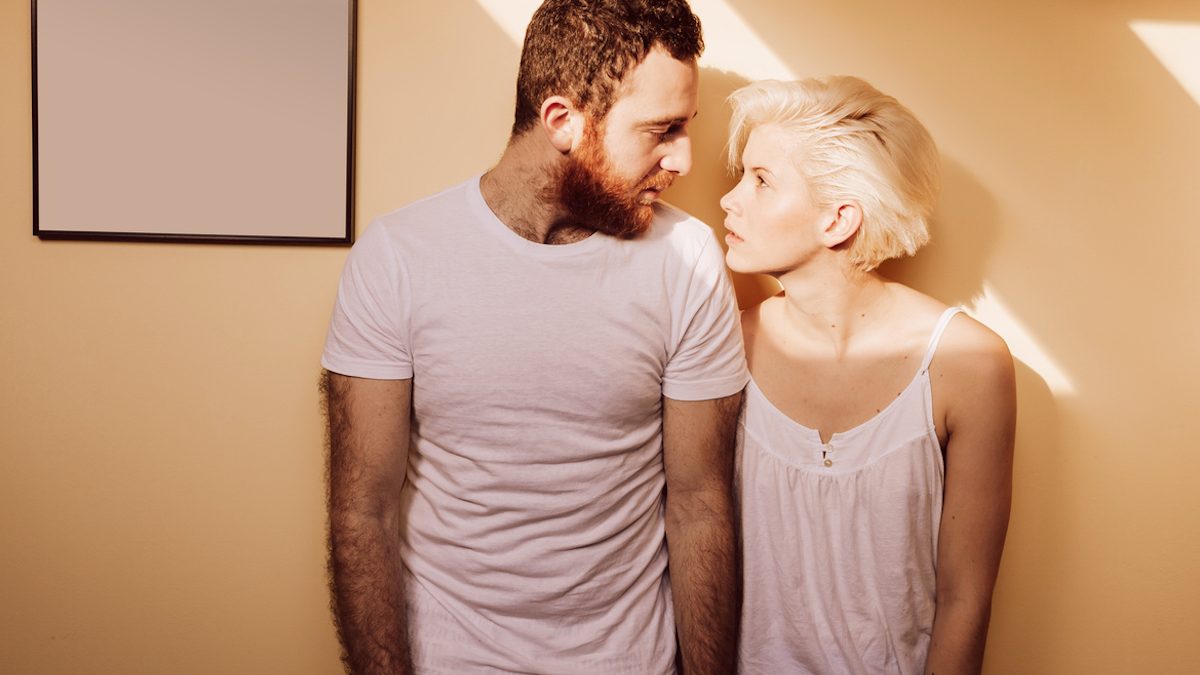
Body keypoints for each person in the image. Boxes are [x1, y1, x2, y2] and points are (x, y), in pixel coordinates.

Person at [319, 1, 747, 673]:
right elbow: (360, 513)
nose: (684, 160)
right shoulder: (399, 256)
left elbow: (701, 506)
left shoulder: (687, 259)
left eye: (685, 128)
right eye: (662, 130)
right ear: (562, 122)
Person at [720, 76, 1016, 674]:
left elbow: (966, 599)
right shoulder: (722, 348)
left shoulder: (968, 363)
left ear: (838, 220)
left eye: (761, 180)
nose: (729, 200)